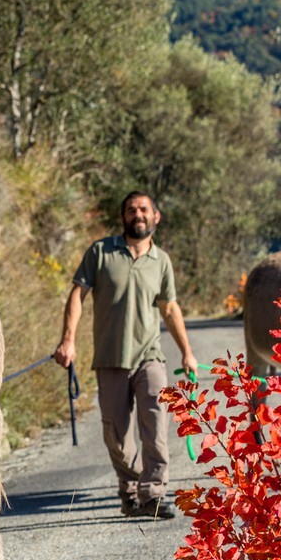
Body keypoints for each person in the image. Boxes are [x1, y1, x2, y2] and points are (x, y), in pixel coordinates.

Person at [52, 191, 197, 519]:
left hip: (150, 356)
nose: (138, 214)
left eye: (144, 209)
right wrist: (68, 340)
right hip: (110, 358)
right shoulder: (101, 252)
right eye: (132, 210)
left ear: (156, 217)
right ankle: (130, 490)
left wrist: (186, 352)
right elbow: (78, 295)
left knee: (156, 423)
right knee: (116, 435)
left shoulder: (161, 261)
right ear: (124, 217)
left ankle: (153, 494)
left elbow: (169, 309)